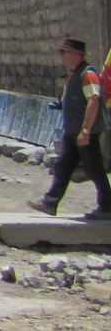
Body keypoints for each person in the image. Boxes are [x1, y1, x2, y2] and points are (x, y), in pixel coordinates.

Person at [28, 37, 109, 220]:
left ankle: (107, 207)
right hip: (71, 131)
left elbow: (93, 102)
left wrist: (86, 131)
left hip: (83, 133)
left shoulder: (88, 74)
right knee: (63, 166)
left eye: (63, 52)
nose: (60, 56)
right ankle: (50, 203)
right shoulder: (74, 74)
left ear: (75, 54)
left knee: (94, 169)